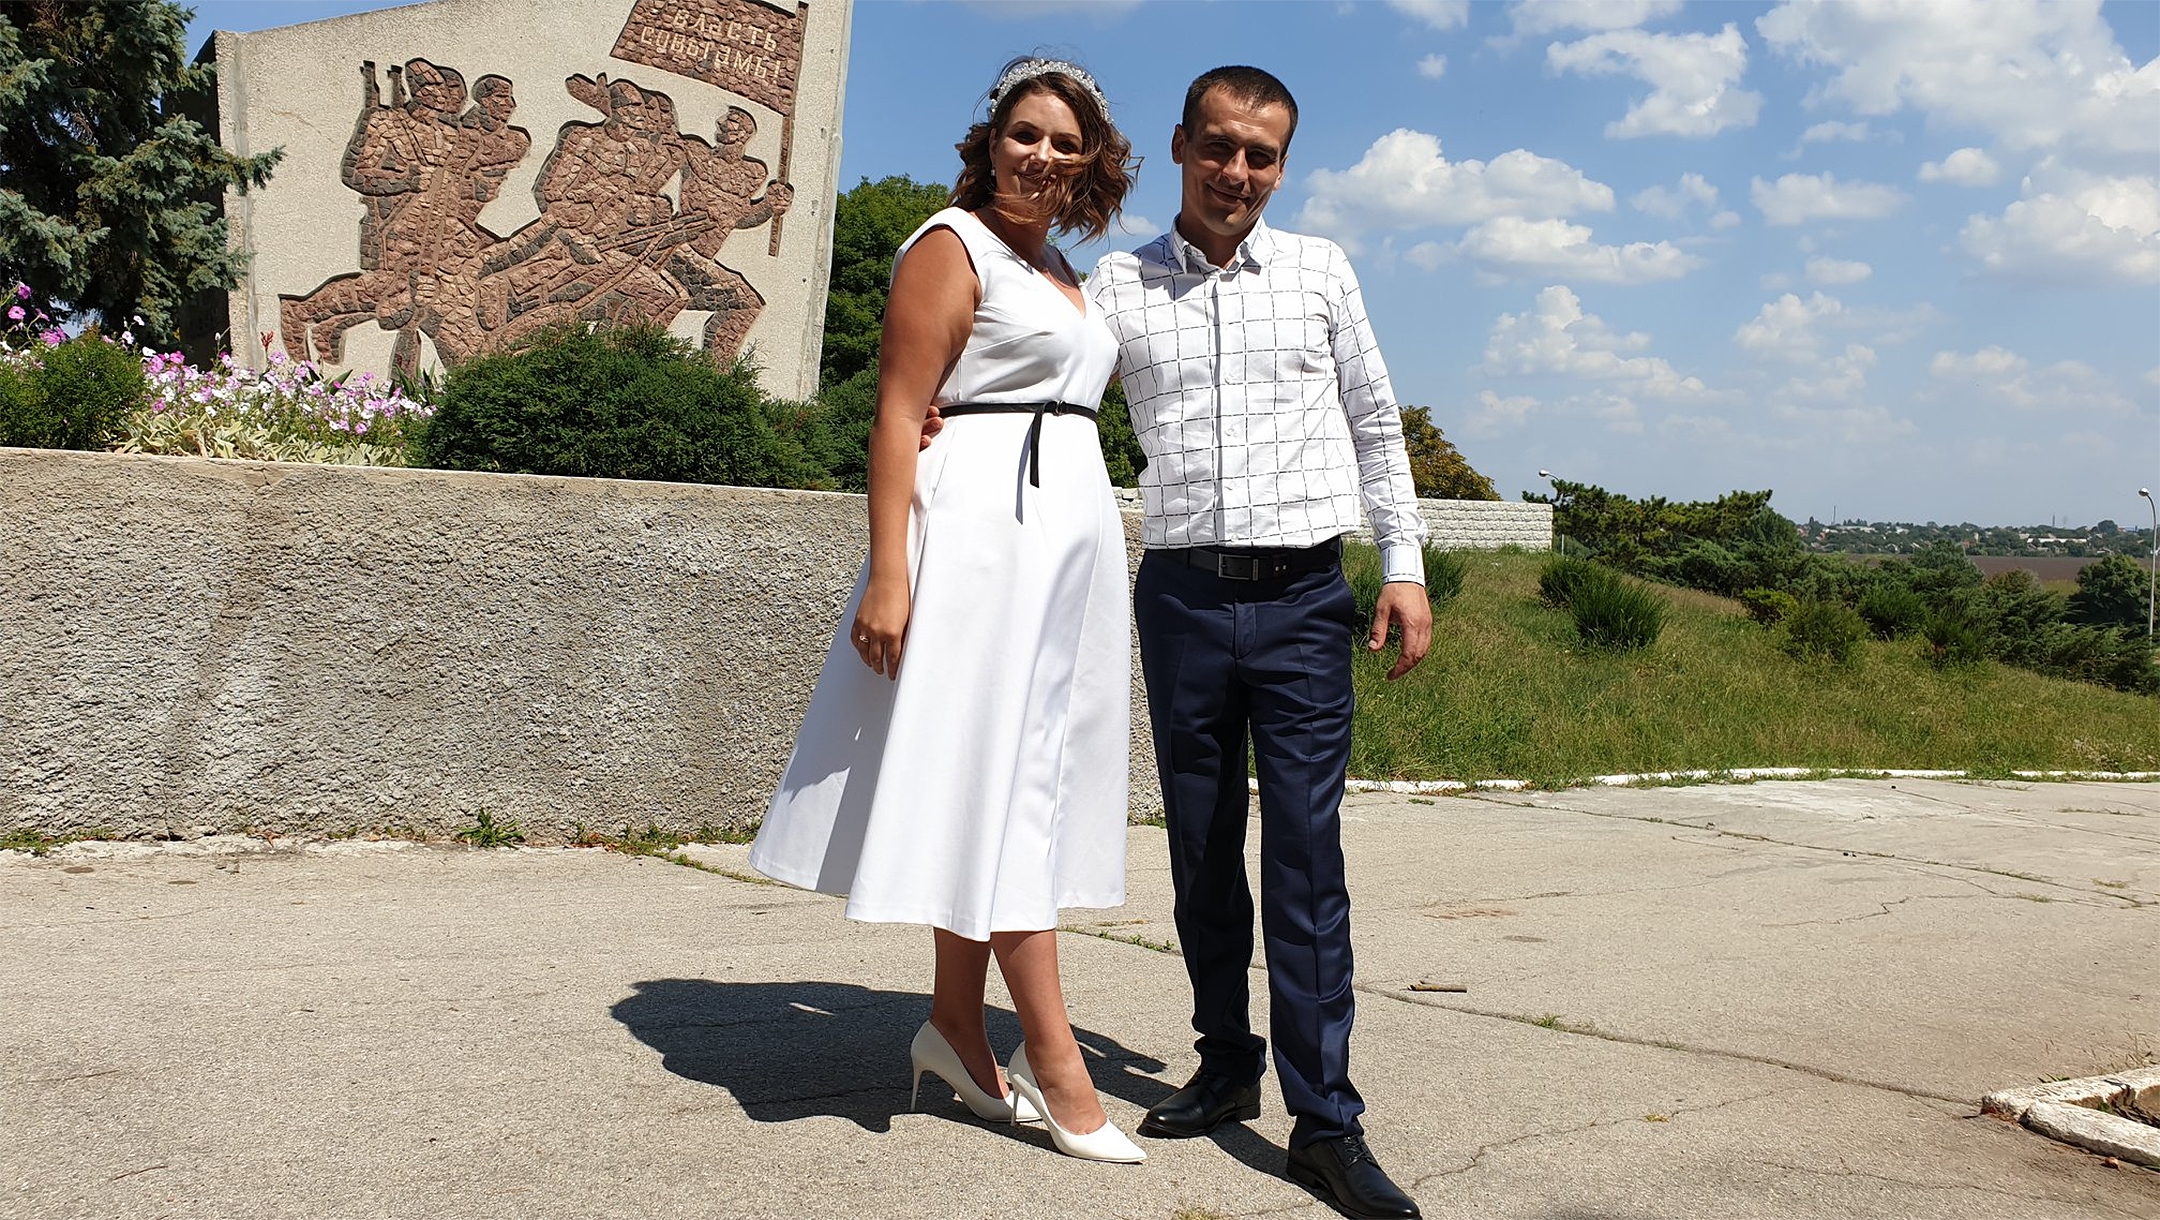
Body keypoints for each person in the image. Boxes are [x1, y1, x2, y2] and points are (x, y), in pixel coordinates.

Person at [750, 57, 1145, 1164]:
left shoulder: (1062, 265)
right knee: (1008, 784)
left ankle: (956, 1027)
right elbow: (897, 413)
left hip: (1059, 545)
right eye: (1027, 134)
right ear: (991, 139)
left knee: (1009, 773)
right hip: (981, 539)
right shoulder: (950, 243)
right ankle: (1057, 1068)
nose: (1044, 156)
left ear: (1091, 162)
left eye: (1067, 144)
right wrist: (889, 570)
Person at [1087, 66, 1431, 1219]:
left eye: (1264, 155)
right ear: (1183, 145)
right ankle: (1227, 1057)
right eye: (1222, 147)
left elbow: (1377, 422)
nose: (1240, 173)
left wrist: (1405, 566)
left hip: (1301, 602)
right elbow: (1045, 397)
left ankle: (1326, 1120)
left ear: (1283, 165)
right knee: (1198, 844)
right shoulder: (1117, 286)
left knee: (1304, 856)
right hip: (1180, 598)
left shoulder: (1322, 270)